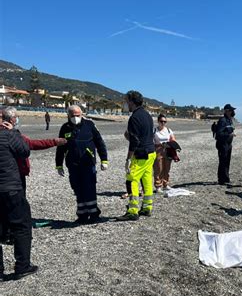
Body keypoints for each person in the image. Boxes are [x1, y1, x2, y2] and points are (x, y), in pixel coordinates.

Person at [56, 105, 109, 223]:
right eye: (73, 115)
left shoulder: (90, 125)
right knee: (77, 189)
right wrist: (58, 165)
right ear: (68, 116)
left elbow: (99, 142)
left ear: (82, 114)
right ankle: (82, 214)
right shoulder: (65, 128)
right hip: (73, 164)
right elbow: (60, 148)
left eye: (78, 115)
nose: (75, 118)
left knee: (89, 188)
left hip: (88, 163)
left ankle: (94, 214)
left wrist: (104, 160)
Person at [0, 122, 37, 281]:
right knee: (21, 225)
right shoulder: (7, 135)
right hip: (10, 188)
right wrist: (14, 132)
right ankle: (22, 266)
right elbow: (24, 151)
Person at [1, 107, 67, 190]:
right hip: (13, 175)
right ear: (11, 119)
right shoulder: (11, 135)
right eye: (17, 117)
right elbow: (30, 145)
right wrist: (54, 142)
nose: (18, 119)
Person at [118, 90, 156, 221]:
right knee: (146, 180)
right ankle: (147, 207)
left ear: (132, 102)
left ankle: (133, 210)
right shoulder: (147, 115)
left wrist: (128, 158)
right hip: (151, 152)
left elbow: (135, 141)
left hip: (141, 154)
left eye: (126, 101)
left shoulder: (134, 117)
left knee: (132, 179)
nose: (125, 104)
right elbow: (145, 136)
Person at [153, 114, 177, 192]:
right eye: (161, 121)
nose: (163, 123)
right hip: (158, 150)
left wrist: (171, 143)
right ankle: (158, 186)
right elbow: (151, 140)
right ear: (158, 121)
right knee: (158, 168)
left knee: (167, 168)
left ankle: (165, 184)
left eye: (165, 121)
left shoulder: (169, 130)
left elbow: (173, 139)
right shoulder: (154, 130)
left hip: (168, 150)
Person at [215, 103, 236, 185]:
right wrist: (229, 135)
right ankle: (221, 179)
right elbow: (219, 134)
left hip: (228, 144)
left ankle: (226, 178)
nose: (233, 112)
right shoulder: (222, 120)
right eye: (231, 110)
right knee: (222, 161)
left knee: (227, 161)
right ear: (227, 111)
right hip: (222, 144)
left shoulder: (229, 120)